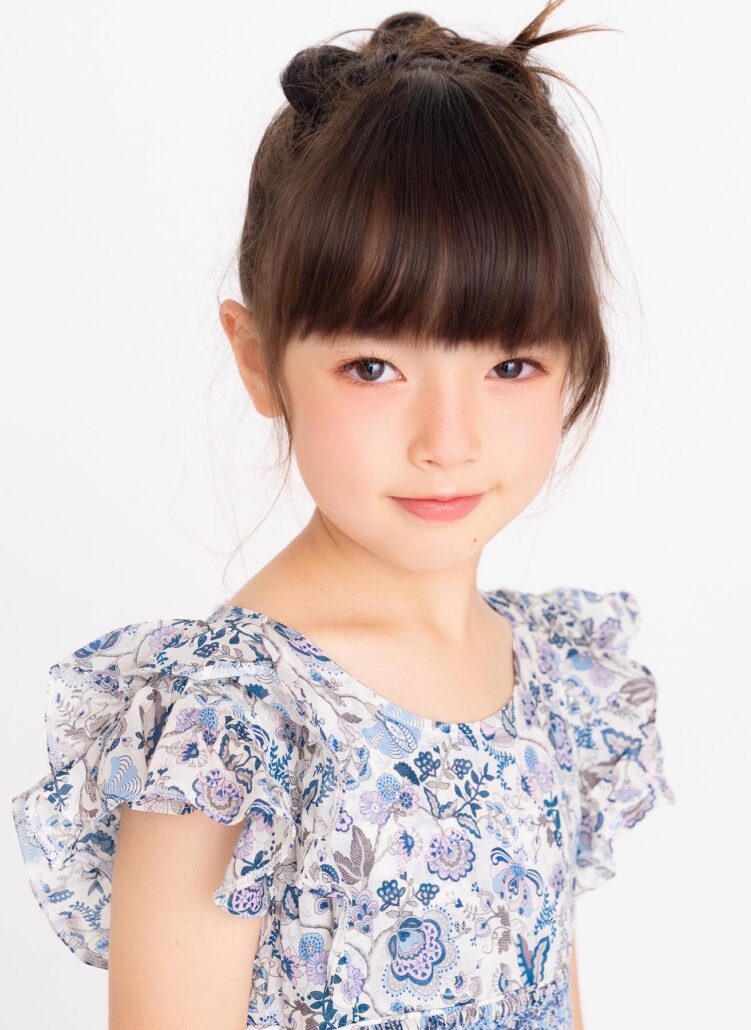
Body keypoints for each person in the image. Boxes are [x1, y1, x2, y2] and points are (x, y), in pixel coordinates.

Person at [10, 4, 676, 1028]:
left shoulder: (547, 680)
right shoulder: (233, 726)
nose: (447, 439)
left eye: (509, 365)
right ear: (257, 358)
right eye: (373, 366)